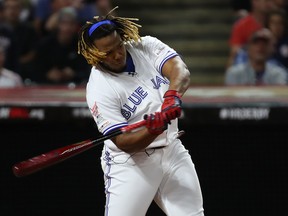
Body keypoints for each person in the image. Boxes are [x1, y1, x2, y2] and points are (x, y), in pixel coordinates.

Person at [77, 7, 204, 216]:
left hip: (172, 150)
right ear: (94, 54)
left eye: (119, 45)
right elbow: (124, 142)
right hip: (131, 165)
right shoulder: (99, 87)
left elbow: (180, 70)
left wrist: (172, 97)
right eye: (108, 52)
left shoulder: (145, 46)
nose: (118, 54)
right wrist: (151, 131)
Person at [28, 6, 90, 84]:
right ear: (58, 24)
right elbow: (34, 70)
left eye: (71, 24)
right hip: (47, 85)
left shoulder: (82, 45)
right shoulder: (45, 44)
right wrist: (47, 74)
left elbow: (87, 71)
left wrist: (74, 74)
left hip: (74, 85)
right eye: (64, 23)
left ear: (76, 26)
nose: (67, 28)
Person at [227, 0, 274, 67]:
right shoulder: (242, 25)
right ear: (254, 2)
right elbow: (234, 54)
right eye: (265, 1)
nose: (268, 3)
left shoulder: (278, 22)